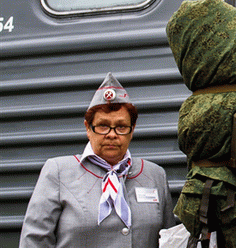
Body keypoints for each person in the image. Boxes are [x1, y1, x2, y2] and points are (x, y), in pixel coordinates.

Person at [19, 72, 176, 248]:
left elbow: (169, 241)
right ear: (88, 128)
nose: (111, 135)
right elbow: (34, 242)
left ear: (132, 130)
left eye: (121, 127)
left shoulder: (154, 175)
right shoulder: (58, 172)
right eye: (103, 126)